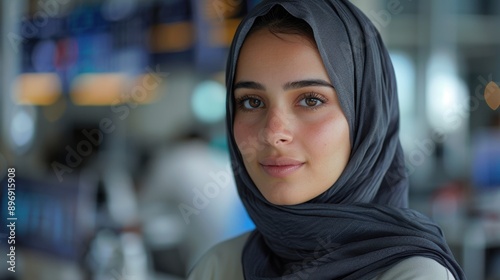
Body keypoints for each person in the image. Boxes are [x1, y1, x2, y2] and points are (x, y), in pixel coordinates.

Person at [188, 0, 466, 279]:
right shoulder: (218, 266)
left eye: (310, 100)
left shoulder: (412, 275)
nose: (273, 134)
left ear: (366, 118)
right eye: (251, 102)